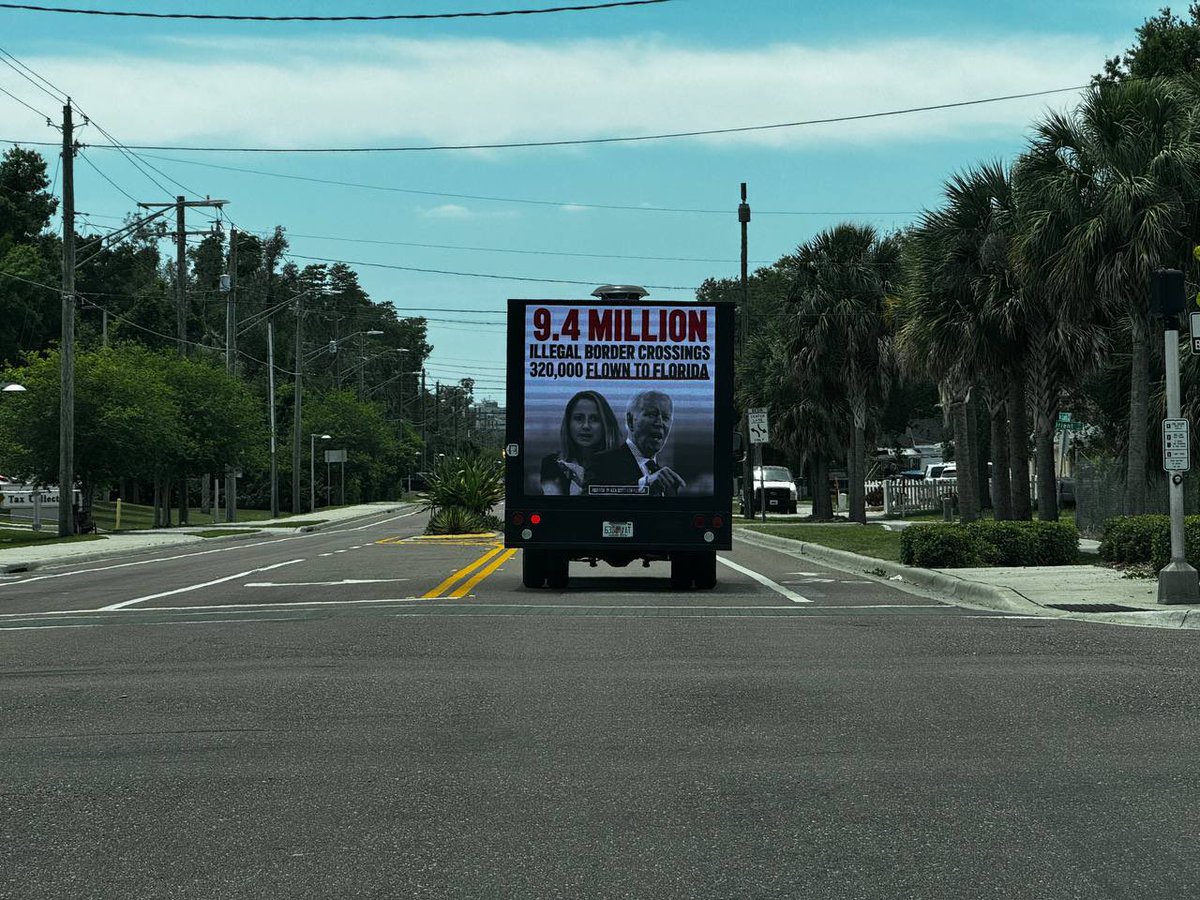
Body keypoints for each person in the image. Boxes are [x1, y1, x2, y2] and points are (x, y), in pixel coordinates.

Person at [588, 390, 686, 496]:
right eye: (652, 414)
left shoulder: (667, 482)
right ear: (630, 421)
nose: (660, 423)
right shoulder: (601, 463)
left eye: (666, 418)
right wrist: (644, 485)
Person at [539, 390, 620, 495]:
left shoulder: (621, 467)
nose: (586, 426)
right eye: (579, 418)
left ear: (606, 425)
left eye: (594, 419)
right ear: (568, 424)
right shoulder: (551, 464)